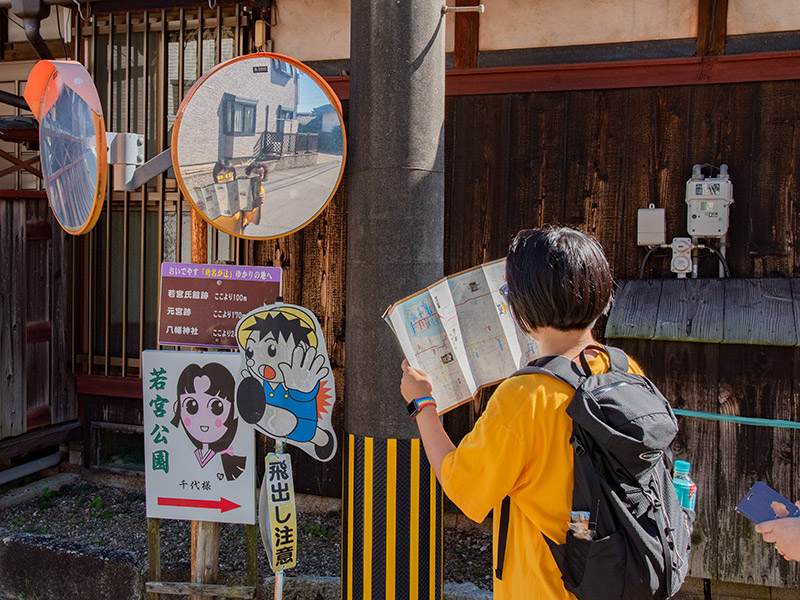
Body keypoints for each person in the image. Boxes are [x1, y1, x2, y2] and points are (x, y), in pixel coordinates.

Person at [400, 226, 644, 599]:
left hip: (545, 587)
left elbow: (463, 486)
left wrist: (422, 405)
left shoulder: (525, 395)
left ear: (522, 307)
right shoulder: (624, 369)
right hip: (613, 578)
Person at [172, 362, 247, 481]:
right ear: (177, 408)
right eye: (191, 406)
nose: (203, 418)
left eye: (217, 407)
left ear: (234, 411)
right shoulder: (177, 455)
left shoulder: (233, 463)